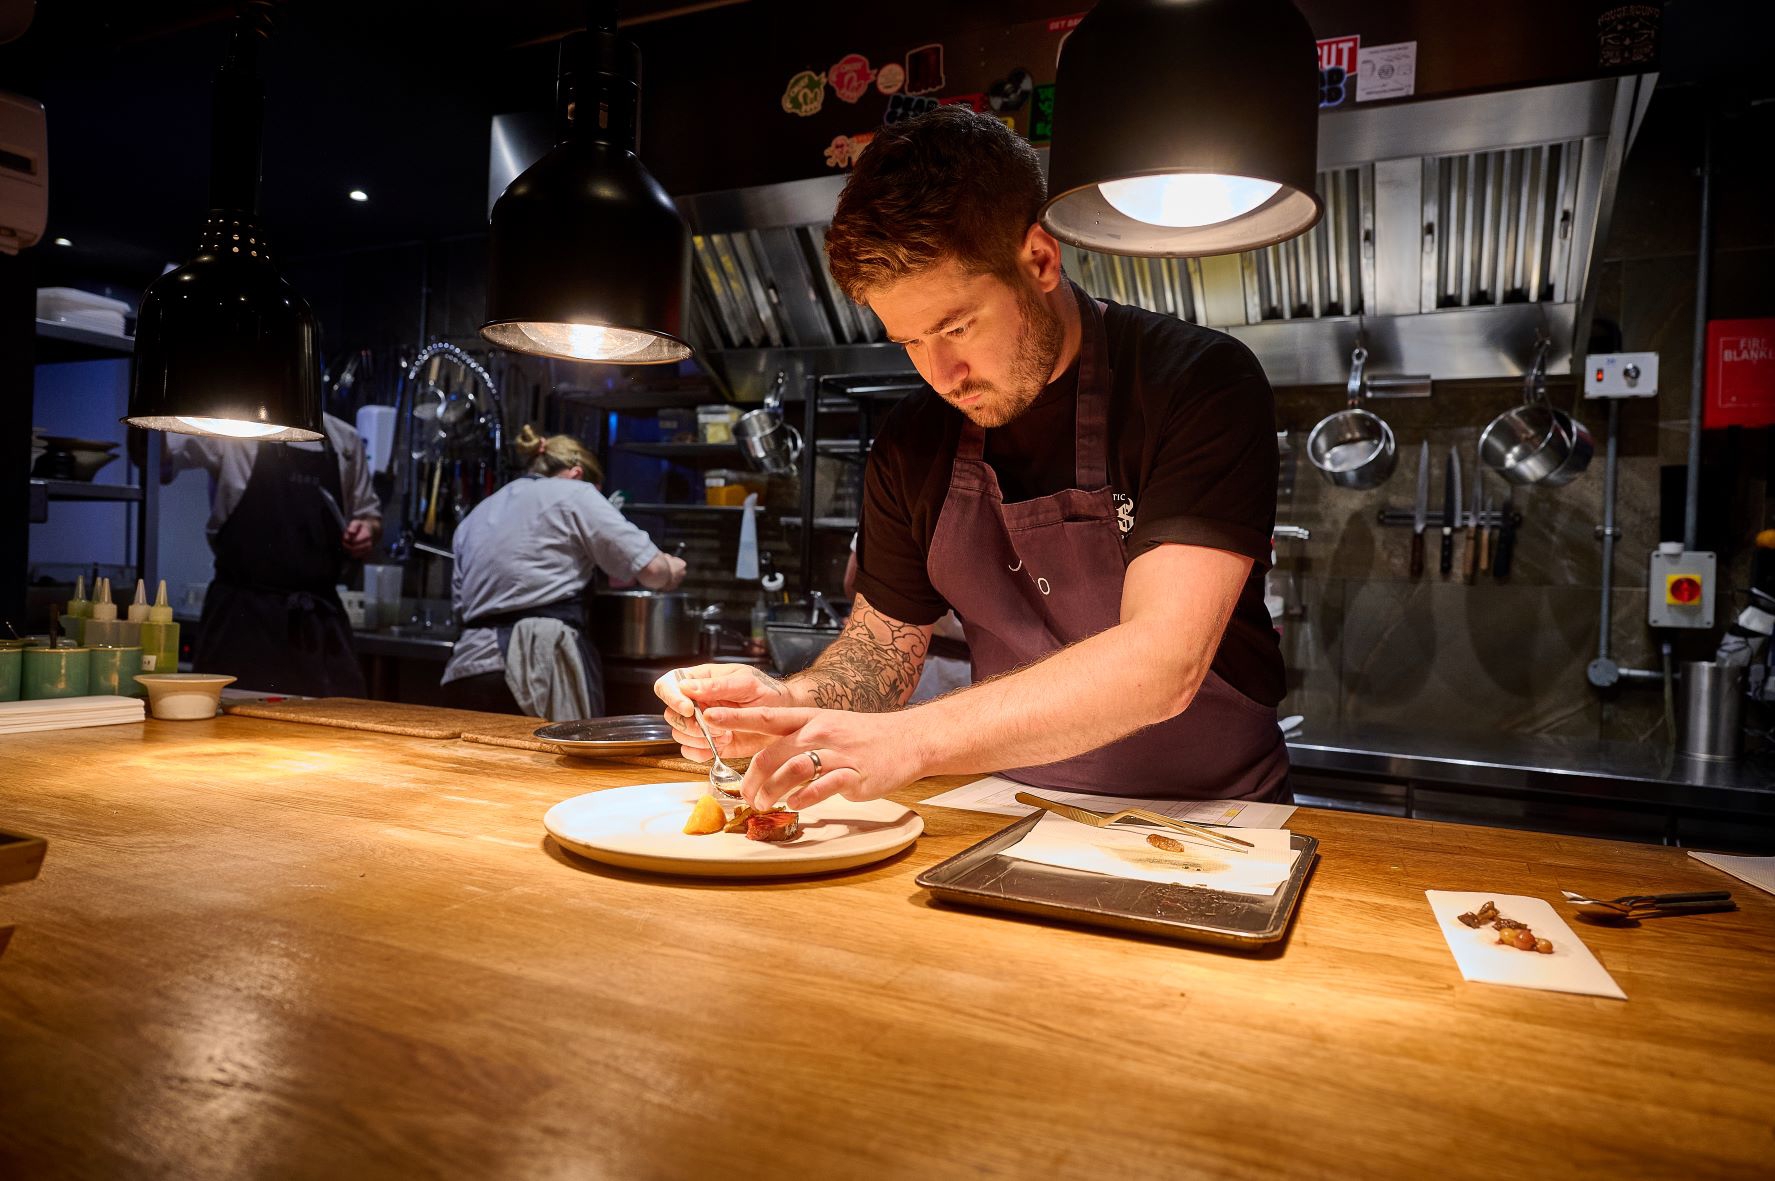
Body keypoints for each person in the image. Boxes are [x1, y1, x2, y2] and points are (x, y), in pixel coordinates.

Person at [656, 106, 1289, 810]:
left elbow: (1161, 663)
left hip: (1220, 822)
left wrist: (913, 742)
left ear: (1039, 260)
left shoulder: (1195, 383)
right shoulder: (912, 441)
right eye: (910, 342)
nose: (942, 373)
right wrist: (783, 702)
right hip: (1009, 815)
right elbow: (878, 654)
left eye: (956, 326)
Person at [442, 424, 685, 720]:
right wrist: (671, 569)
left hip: (468, 669)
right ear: (577, 472)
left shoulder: (476, 515)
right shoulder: (576, 493)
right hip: (537, 674)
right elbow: (652, 570)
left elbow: (460, 605)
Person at [166, 411, 380, 696]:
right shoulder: (232, 428)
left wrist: (366, 531)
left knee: (340, 731)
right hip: (241, 622)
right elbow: (157, 460)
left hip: (318, 626)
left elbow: (370, 516)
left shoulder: (344, 440)